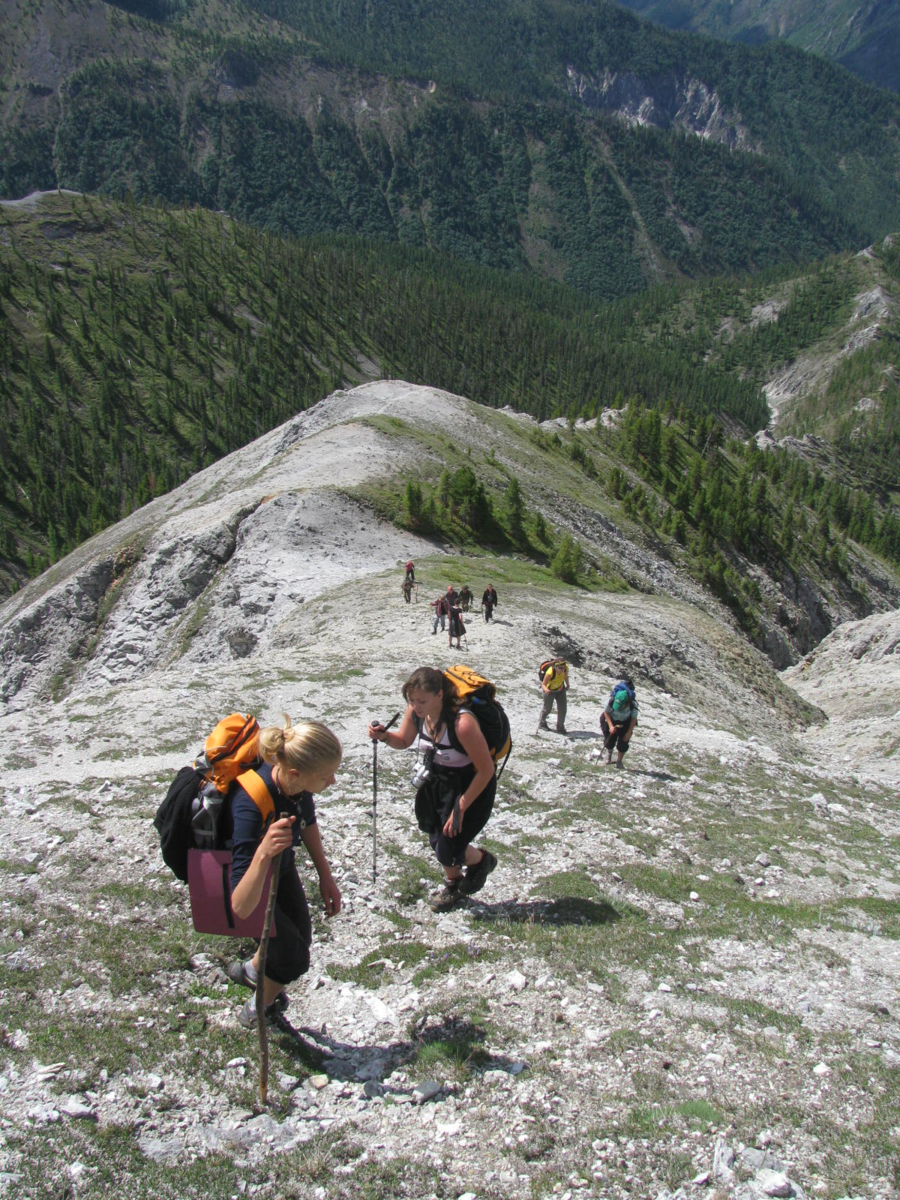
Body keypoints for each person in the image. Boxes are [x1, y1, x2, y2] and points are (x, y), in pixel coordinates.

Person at [227, 717, 342, 1028]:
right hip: (256, 876)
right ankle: (257, 1008)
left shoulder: (296, 785)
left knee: (300, 935)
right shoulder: (250, 805)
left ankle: (251, 972)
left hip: (282, 864)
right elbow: (239, 906)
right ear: (295, 773)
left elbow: (307, 822)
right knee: (293, 958)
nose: (331, 782)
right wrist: (264, 852)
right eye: (326, 776)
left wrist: (325, 877)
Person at [367, 667, 498, 912]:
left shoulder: (462, 723)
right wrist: (384, 736)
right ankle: (456, 882)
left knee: (448, 846)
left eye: (421, 701)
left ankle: (482, 861)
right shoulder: (418, 712)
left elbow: (486, 770)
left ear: (440, 695)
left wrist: (460, 806)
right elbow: (404, 740)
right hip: (439, 782)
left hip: (471, 784)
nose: (415, 706)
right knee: (436, 837)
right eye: (412, 700)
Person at [600, 677, 638, 768]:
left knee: (623, 742)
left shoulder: (633, 705)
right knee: (609, 738)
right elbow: (606, 712)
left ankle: (619, 761)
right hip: (612, 720)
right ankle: (608, 754)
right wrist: (610, 726)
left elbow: (633, 718)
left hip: (625, 723)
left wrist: (629, 732)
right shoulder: (611, 700)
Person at [538, 658, 569, 734]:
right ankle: (542, 723)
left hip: (560, 690)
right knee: (547, 709)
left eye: (563, 668)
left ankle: (560, 727)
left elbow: (565, 676)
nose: (562, 669)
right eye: (560, 668)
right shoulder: (550, 672)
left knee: (563, 709)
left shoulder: (565, 668)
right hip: (550, 691)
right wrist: (546, 690)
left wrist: (567, 684)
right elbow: (543, 684)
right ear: (555, 667)